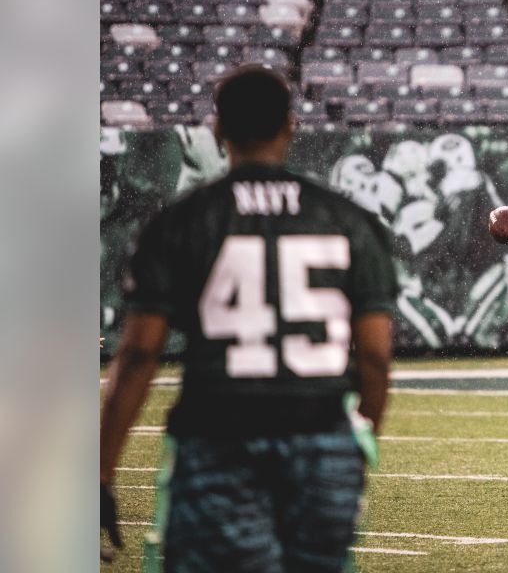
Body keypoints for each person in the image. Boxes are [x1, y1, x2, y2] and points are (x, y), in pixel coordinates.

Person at [99, 65, 399, 570]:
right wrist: (354, 447)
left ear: (218, 129)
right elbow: (374, 357)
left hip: (220, 435)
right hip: (321, 438)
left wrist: (100, 471)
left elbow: (139, 355)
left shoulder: (182, 220)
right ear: (291, 125)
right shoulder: (348, 219)